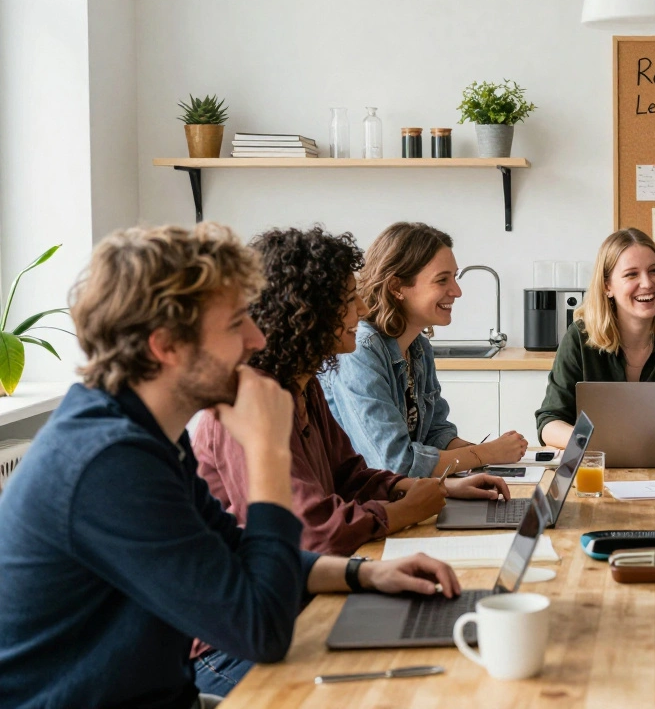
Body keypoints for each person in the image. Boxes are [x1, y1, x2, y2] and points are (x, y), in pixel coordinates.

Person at [0, 224, 463, 709]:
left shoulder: (143, 434)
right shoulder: (107, 462)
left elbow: (233, 547)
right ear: (166, 345)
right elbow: (261, 630)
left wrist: (363, 575)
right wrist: (266, 451)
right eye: (235, 323)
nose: (257, 337)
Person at [195, 227, 509, 560]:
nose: (361, 308)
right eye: (348, 300)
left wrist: (427, 489)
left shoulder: (304, 385)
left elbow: (349, 476)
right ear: (305, 314)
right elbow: (313, 532)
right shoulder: (248, 401)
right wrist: (406, 511)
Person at [322, 221, 527, 478]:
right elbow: (395, 464)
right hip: (364, 506)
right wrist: (487, 454)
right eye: (442, 280)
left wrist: (488, 457)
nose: (457, 291)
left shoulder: (418, 346)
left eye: (454, 277)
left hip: (402, 496)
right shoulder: (360, 352)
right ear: (397, 287)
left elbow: (436, 433)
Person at [535, 228, 655, 448]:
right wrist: (602, 443)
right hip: (599, 469)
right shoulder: (580, 337)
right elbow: (549, 422)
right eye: (631, 274)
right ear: (607, 286)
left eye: (654, 271)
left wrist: (647, 444)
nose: (647, 283)